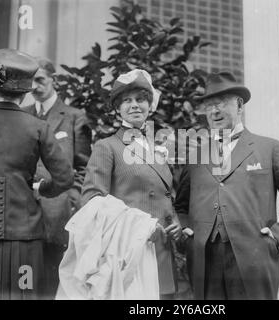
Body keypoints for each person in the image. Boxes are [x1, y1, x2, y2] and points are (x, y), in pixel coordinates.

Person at [175, 71, 279, 300]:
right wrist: (186, 237)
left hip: (254, 259)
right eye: (209, 105)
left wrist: (277, 238)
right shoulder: (195, 156)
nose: (214, 111)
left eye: (221, 103)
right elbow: (180, 206)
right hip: (205, 262)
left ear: (239, 106)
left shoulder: (269, 149)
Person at [0, 49, 74, 300]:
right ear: (26, 90)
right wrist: (41, 189)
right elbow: (65, 179)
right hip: (25, 238)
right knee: (24, 292)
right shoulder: (39, 128)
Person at [81, 69, 182, 299]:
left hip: (162, 251)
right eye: (127, 100)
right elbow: (92, 201)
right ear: (117, 109)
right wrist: (137, 226)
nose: (135, 105)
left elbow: (163, 194)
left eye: (141, 99)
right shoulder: (108, 147)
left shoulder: (159, 148)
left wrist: (174, 219)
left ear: (150, 105)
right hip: (129, 253)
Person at [22, 57, 92, 299]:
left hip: (60, 212)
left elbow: (84, 166)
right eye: (30, 81)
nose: (35, 86)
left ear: (54, 80)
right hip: (25, 211)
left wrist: (73, 200)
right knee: (27, 279)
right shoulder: (22, 115)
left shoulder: (74, 116)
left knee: (55, 280)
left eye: (40, 80)